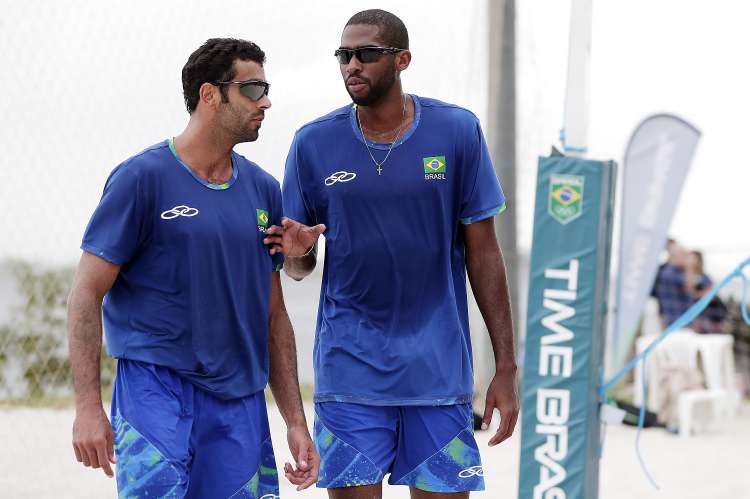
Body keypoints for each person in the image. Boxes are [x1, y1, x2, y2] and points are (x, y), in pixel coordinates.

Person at [263, 9, 518, 498]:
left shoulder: (457, 131)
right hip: (349, 371)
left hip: (438, 371)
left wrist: (505, 366)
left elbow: (485, 255)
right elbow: (298, 267)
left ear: (402, 59)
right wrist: (297, 254)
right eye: (344, 55)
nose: (351, 65)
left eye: (366, 54)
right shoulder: (313, 143)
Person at [67, 38, 318, 498]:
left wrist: (296, 422)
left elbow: (274, 316)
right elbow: (86, 292)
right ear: (210, 94)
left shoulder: (263, 189)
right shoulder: (141, 178)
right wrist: (88, 407)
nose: (266, 101)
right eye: (252, 88)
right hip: (154, 389)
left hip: (239, 400)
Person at [652, 243, 694, 328]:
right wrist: (689, 267)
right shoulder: (670, 273)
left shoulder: (674, 271)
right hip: (676, 321)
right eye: (685, 256)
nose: (687, 259)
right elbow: (689, 285)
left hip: (678, 320)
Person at [685, 250, 727, 334]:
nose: (690, 260)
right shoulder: (685, 274)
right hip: (698, 315)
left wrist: (697, 294)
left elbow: (711, 294)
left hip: (708, 315)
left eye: (693, 258)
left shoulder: (704, 277)